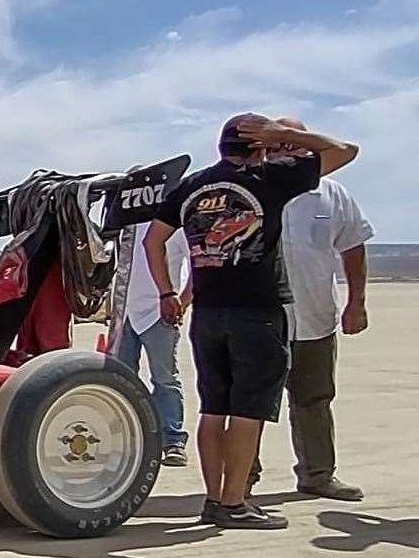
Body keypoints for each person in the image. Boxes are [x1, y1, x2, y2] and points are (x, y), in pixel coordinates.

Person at [145, 114, 358, 530]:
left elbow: (155, 240)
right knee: (248, 410)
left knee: (213, 407)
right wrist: (287, 136)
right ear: (259, 147)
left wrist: (167, 292)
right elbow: (345, 150)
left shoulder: (191, 186)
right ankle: (234, 501)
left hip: (208, 312)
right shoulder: (270, 179)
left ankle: (213, 498)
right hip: (256, 311)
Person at [259, 117, 375, 500]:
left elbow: (353, 247)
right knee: (250, 403)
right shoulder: (252, 189)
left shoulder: (331, 193)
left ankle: (317, 475)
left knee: (314, 400)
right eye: (276, 145)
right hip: (261, 320)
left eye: (293, 143)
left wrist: (356, 303)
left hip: (315, 318)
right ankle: (241, 481)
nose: (286, 152)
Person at [107, 219, 192, 466]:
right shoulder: (126, 225)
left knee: (165, 378)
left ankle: (172, 440)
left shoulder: (174, 223)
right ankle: (126, 437)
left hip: (158, 312)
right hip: (124, 313)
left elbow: (196, 264)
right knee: (120, 378)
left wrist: (182, 303)